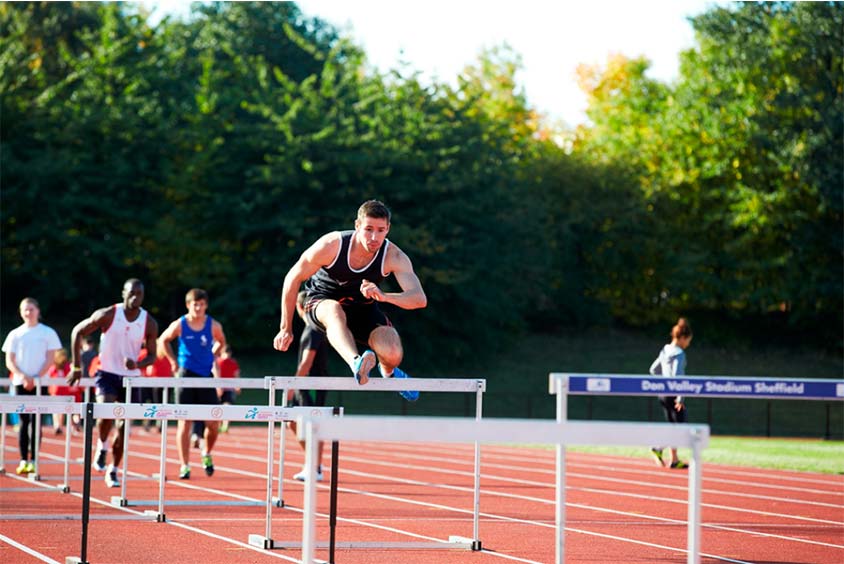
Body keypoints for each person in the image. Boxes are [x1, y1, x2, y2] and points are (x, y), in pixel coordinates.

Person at [273, 200, 425, 402]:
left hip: (362, 309)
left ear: (388, 229)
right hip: (322, 301)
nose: (374, 237)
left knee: (393, 350)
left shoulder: (393, 256)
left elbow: (419, 299)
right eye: (368, 229)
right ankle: (356, 363)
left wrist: (384, 296)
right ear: (357, 226)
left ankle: (388, 372)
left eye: (380, 230)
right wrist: (286, 328)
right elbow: (293, 278)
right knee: (334, 310)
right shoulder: (332, 245)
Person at [67, 279, 159, 488]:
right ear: (123, 293)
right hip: (107, 372)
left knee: (124, 426)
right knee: (105, 413)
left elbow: (153, 355)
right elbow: (77, 332)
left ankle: (114, 469)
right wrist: (76, 366)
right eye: (132, 293)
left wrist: (137, 363)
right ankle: (102, 445)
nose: (135, 297)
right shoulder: (108, 314)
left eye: (139, 294)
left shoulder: (149, 322)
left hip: (131, 378)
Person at [158, 288, 227, 480]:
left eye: (202, 304)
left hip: (205, 376)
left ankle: (206, 452)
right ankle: (185, 465)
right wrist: (173, 361)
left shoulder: (213, 325)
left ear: (206, 306)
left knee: (213, 422)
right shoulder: (180, 324)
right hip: (185, 375)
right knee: (184, 422)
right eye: (195, 304)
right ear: (188, 305)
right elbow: (163, 340)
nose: (198, 308)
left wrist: (213, 353)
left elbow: (222, 341)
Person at [2, 298, 62, 475]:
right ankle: (23, 460)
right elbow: (9, 360)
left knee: (36, 422)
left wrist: (37, 377)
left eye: (31, 309)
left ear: (38, 310)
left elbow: (50, 358)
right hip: (20, 383)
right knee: (23, 422)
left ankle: (34, 460)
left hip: (40, 383)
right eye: (25, 310)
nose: (28, 313)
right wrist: (23, 376)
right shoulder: (15, 334)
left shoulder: (47, 332)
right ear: (21, 312)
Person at [287, 290, 332, 482]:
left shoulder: (313, 330)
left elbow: (306, 363)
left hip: (312, 383)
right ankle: (313, 463)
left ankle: (315, 466)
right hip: (309, 383)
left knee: (311, 425)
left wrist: (292, 385)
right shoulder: (314, 329)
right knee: (293, 422)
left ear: (299, 307)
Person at [649, 317, 694, 469]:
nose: (688, 344)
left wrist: (663, 382)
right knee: (681, 428)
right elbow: (677, 377)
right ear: (682, 338)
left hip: (662, 393)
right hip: (674, 394)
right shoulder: (679, 353)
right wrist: (680, 397)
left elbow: (653, 370)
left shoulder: (665, 349)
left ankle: (674, 460)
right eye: (688, 340)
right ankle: (658, 447)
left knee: (674, 426)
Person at [47, 348, 83, 434]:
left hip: (65, 392)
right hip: (55, 392)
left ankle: (61, 425)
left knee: (64, 410)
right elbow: (49, 375)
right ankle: (57, 426)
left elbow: (69, 375)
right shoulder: (53, 366)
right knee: (56, 410)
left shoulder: (67, 366)